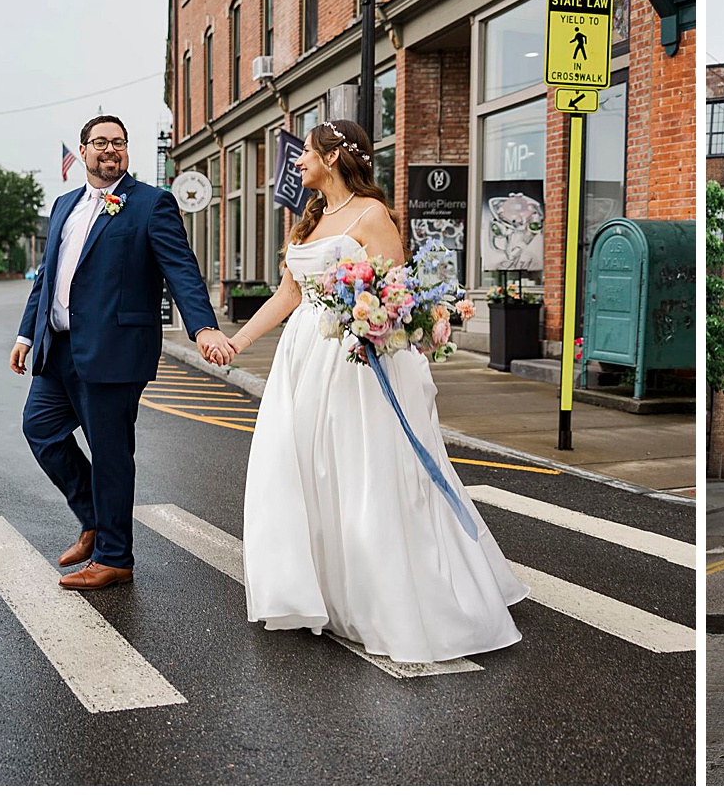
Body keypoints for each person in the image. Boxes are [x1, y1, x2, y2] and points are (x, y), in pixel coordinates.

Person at [222, 119, 527, 664]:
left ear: (334, 158)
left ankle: (384, 596)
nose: (298, 162)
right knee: (306, 469)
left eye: (306, 153)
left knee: (360, 471)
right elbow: (287, 295)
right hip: (302, 359)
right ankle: (319, 588)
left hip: (354, 360)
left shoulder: (372, 216)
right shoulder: (309, 220)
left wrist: (412, 321)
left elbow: (398, 288)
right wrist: (236, 342)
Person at [9, 115, 232, 591]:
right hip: (59, 347)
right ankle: (94, 519)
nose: (111, 149)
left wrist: (204, 328)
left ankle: (115, 557)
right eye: (101, 142)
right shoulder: (64, 205)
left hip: (114, 352)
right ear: (84, 151)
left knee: (111, 454)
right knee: (40, 430)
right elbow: (47, 278)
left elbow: (182, 270)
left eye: (119, 142)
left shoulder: (151, 204)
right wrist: (26, 335)